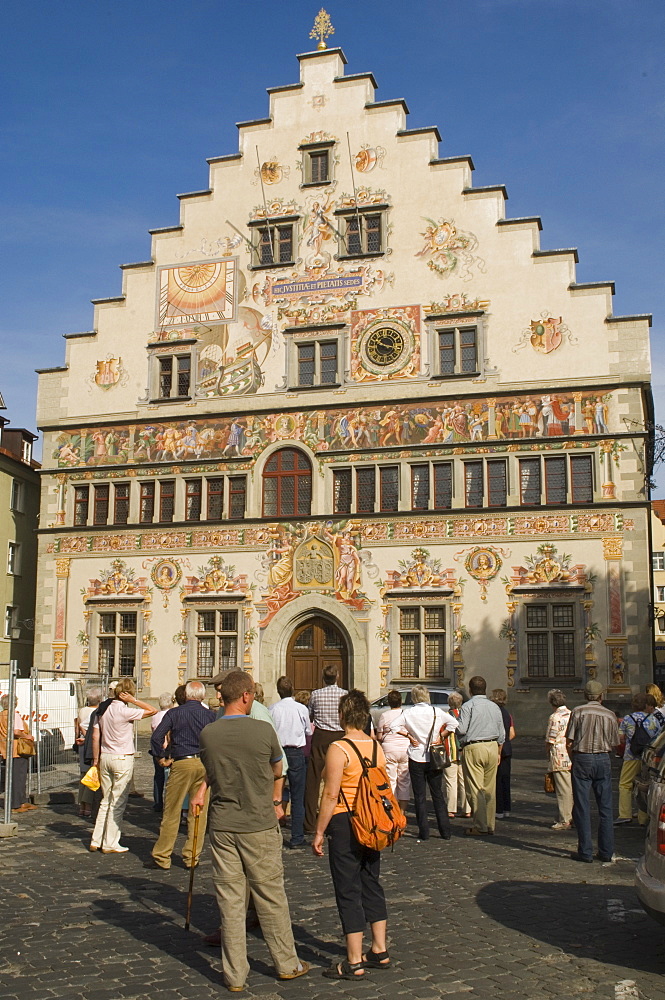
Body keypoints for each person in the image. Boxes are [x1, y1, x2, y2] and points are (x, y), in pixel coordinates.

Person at [191, 670, 309, 992]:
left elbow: (212, 772)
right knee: (270, 895)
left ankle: (234, 976)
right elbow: (276, 768)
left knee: (230, 901)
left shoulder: (208, 734)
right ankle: (287, 963)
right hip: (258, 823)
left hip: (224, 825)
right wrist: (273, 797)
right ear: (245, 696)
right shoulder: (263, 731)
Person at [312, 689, 390, 981]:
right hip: (372, 821)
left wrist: (319, 831)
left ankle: (354, 959)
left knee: (348, 888)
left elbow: (331, 794)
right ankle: (379, 948)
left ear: (342, 715)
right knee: (371, 882)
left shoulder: (339, 748)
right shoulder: (375, 746)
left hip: (345, 822)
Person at [146, 680, 216, 871]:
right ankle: (192, 856)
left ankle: (162, 856)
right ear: (202, 696)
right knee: (199, 813)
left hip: (182, 762)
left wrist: (161, 757)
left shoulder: (175, 713)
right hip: (203, 764)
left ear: (185, 695)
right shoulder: (211, 716)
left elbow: (157, 737)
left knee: (172, 811)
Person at [89, 679, 155, 854]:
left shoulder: (102, 710)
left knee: (106, 800)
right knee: (117, 801)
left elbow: (96, 736)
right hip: (122, 757)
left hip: (105, 756)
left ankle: (97, 839)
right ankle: (110, 842)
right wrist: (134, 701)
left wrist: (96, 759)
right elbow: (152, 710)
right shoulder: (125, 711)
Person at [392, 685, 458, 842]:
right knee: (437, 794)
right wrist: (441, 736)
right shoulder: (436, 712)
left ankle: (424, 831)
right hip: (434, 756)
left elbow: (393, 726)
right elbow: (454, 724)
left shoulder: (408, 713)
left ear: (414, 697)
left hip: (416, 756)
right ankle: (445, 830)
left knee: (420, 795)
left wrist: (408, 735)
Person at [565, 680, 619, 863]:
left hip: (582, 757)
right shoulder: (610, 715)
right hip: (603, 758)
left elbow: (569, 740)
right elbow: (614, 742)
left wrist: (574, 758)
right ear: (601, 696)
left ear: (585, 695)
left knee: (582, 805)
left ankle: (585, 851)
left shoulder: (578, 712)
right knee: (605, 807)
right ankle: (606, 851)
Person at [457, 676, 505, 837]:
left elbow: (462, 729)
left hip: (474, 747)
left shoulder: (468, 706)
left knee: (475, 789)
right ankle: (490, 824)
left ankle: (480, 825)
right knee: (490, 788)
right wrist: (498, 751)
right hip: (492, 746)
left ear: (470, 690)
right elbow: (502, 733)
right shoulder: (494, 707)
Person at [304, 665, 348, 834]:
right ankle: (339, 820)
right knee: (341, 779)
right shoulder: (344, 694)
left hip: (321, 736)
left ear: (323, 678)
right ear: (337, 676)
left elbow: (310, 716)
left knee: (313, 779)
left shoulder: (316, 694)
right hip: (339, 735)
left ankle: (309, 822)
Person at [270, 676, 312, 849]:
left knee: (274, 795)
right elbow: (308, 730)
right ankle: (296, 837)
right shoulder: (301, 709)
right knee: (297, 795)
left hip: (277, 753)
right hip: (295, 752)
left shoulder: (272, 709)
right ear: (292, 689)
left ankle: (272, 835)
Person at [614, 692, 661, 827]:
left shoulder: (628, 719)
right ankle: (643, 817)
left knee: (625, 784)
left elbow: (621, 738)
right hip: (648, 757)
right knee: (644, 785)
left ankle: (625, 814)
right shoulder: (653, 719)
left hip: (631, 755)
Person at [0, 694, 37, 814]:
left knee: (15, 777)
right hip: (17, 750)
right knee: (18, 778)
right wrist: (28, 736)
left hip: (7, 749)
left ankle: (21, 800)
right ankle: (16, 804)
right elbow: (16, 732)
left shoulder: (1, 715)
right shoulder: (14, 715)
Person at [376, 690, 410, 813]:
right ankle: (402, 811)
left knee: (391, 779)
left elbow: (379, 736)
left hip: (389, 748)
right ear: (401, 701)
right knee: (404, 780)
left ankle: (393, 809)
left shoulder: (385, 715)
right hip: (405, 748)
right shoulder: (406, 714)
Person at [545, 689, 573, 830]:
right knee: (570, 788)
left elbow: (550, 739)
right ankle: (570, 815)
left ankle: (565, 819)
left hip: (559, 756)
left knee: (563, 790)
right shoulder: (572, 714)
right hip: (571, 755)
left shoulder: (554, 717)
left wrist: (547, 753)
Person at [443, 692, 470, 819]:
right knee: (464, 781)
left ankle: (451, 809)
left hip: (450, 751)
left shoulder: (445, 716)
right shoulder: (466, 716)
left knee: (451, 781)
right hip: (464, 751)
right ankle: (467, 809)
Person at [75, 689, 102, 818]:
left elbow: (79, 724)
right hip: (90, 746)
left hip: (82, 744)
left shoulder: (82, 710)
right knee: (92, 775)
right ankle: (88, 806)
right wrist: (88, 737)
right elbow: (84, 726)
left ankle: (82, 806)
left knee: (83, 775)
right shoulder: (95, 712)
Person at [491, 689, 515, 819]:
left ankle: (498, 809)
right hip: (507, 749)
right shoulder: (507, 714)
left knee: (497, 780)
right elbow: (512, 733)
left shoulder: (494, 713)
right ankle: (507, 808)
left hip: (497, 748)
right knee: (506, 780)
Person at [150, 691, 175, 814]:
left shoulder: (155, 716)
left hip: (157, 748)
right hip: (167, 748)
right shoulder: (172, 714)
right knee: (170, 778)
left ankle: (158, 802)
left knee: (158, 776)